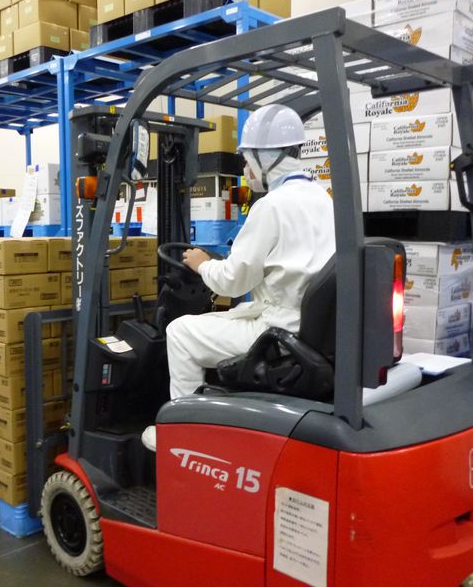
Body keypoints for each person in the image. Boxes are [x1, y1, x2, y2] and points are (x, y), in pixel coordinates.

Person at [141, 104, 337, 451]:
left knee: (179, 332)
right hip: (305, 325)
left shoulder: (272, 206)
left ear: (266, 157)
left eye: (247, 160)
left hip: (278, 330)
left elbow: (232, 281)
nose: (246, 169)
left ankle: (183, 434)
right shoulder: (322, 198)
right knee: (223, 317)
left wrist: (202, 264)